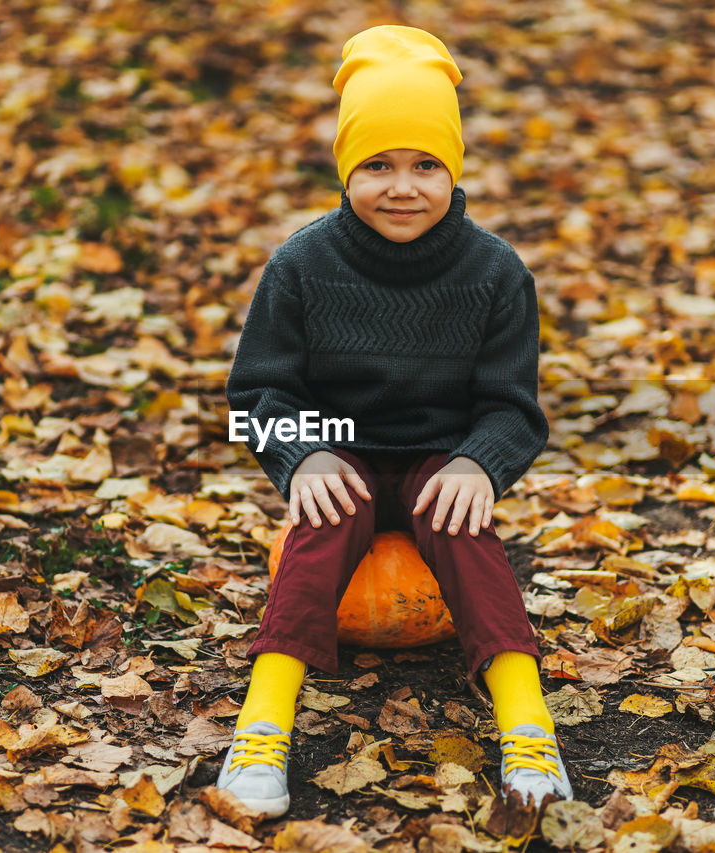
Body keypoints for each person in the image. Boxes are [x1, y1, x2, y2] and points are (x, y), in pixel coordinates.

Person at [218, 24, 571, 817]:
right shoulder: (303, 265)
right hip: (339, 449)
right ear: (345, 170)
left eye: (425, 165)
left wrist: (479, 462)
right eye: (376, 164)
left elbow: (513, 407)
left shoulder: (494, 273)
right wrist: (302, 455)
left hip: (438, 456)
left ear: (454, 169)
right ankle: (263, 725)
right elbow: (259, 391)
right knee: (321, 523)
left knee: (465, 531)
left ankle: (527, 729)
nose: (401, 186)